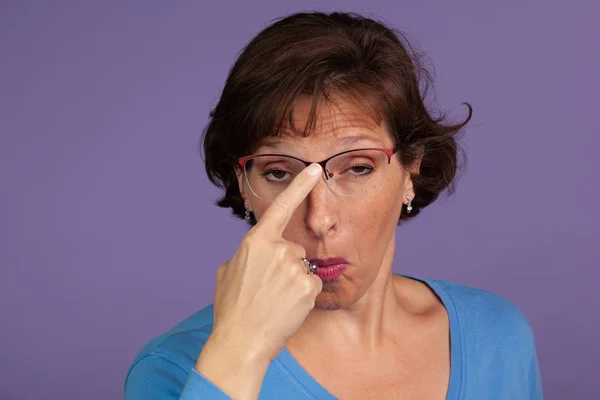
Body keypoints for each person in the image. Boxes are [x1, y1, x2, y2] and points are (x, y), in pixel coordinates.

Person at [124, 11, 543, 400]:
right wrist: (239, 352)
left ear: (411, 172)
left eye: (358, 168)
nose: (319, 219)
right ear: (243, 185)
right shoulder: (175, 370)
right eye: (278, 172)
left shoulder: (497, 335)